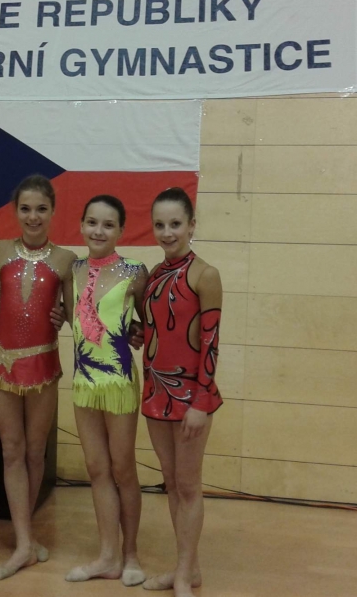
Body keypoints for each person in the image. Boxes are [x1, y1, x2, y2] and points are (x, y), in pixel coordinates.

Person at [0, 174, 76, 581]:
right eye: (25, 209)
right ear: (15, 211)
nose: (33, 216)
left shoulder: (66, 260)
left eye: (41, 209)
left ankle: (27, 536)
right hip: (1, 363)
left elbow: (75, 314)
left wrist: (64, 313)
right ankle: (23, 542)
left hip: (42, 365)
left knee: (36, 452)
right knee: (11, 450)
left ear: (53, 211)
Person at [141, 188, 223, 597]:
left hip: (191, 397)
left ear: (192, 225)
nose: (167, 232)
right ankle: (186, 569)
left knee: (188, 486)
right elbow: (155, 332)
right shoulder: (154, 274)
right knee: (172, 484)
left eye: (175, 224)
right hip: (156, 392)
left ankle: (184, 576)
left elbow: (210, 343)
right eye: (160, 225)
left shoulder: (205, 275)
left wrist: (200, 403)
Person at [63, 194, 147, 587]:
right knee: (97, 469)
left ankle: (131, 554)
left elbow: (147, 324)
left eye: (108, 225)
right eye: (92, 222)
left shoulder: (135, 271)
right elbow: (72, 319)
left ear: (121, 230)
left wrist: (136, 331)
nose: (99, 231)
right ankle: (107, 556)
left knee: (122, 468)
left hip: (119, 382)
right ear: (82, 225)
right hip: (85, 381)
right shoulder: (73, 270)